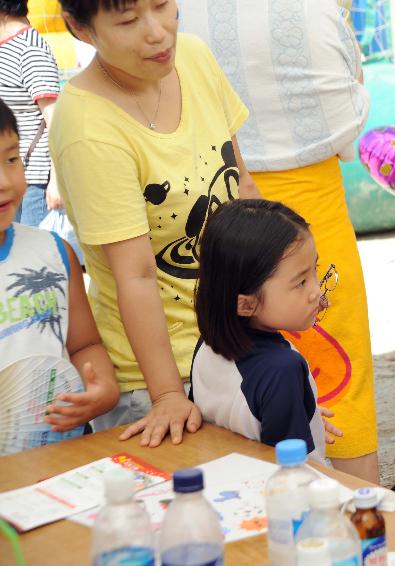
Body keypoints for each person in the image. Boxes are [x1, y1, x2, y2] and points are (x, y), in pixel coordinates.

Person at [178, 0, 379, 483]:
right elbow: (349, 105)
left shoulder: (207, 346)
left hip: (223, 200)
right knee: (340, 387)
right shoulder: (315, 10)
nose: (317, 291)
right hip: (308, 198)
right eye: (306, 282)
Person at [50, 0, 260, 448]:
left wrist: (277, 300)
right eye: (127, 20)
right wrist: (166, 394)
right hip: (162, 374)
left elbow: (242, 184)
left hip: (239, 340)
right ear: (80, 28)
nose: (158, 32)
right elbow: (137, 276)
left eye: (162, 5)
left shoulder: (195, 57)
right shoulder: (89, 127)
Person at [0, 99, 119, 441]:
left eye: (11, 159)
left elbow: (83, 345)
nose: (5, 181)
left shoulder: (53, 251)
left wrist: (103, 388)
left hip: (62, 459)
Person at [192, 199, 343, 464]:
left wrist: (299, 409)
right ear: (246, 303)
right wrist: (288, 401)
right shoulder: (282, 370)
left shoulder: (208, 344)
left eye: (314, 271)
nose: (316, 291)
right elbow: (293, 473)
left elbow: (237, 411)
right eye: (300, 283)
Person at [0, 0, 61, 226]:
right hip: (10, 175)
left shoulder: (29, 48)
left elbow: (55, 119)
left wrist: (57, 181)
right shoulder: (6, 45)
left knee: (35, 256)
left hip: (37, 181)